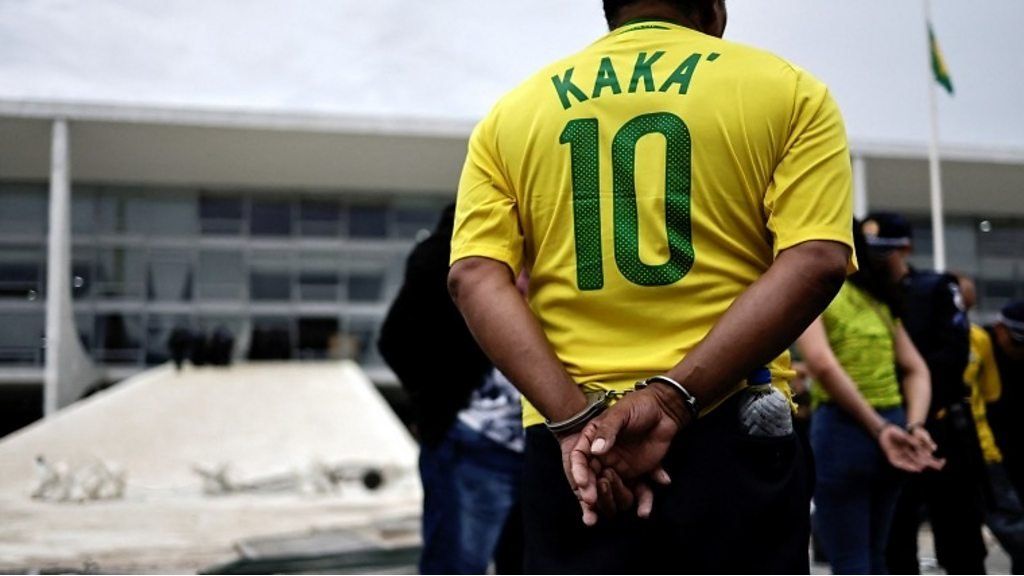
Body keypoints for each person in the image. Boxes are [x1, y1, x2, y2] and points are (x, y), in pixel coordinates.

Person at [448, 0, 858, 571]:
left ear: (609, 9)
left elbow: (473, 277)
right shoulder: (788, 91)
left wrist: (574, 424)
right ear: (713, 9)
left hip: (575, 444)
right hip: (731, 424)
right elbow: (815, 260)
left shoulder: (511, 114)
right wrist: (669, 400)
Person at [378, 203, 523, 574]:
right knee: (456, 565)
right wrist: (440, 404)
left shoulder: (554, 243)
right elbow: (395, 340)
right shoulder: (448, 252)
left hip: (542, 445)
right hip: (470, 442)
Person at [797, 221, 942, 574]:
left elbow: (822, 364)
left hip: (845, 432)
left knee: (849, 559)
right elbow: (917, 369)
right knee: (876, 554)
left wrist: (878, 430)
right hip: (895, 425)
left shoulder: (813, 291)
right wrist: (914, 424)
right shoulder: (875, 301)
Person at [866, 212, 989, 574]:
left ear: (904, 249)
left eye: (884, 252)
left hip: (941, 429)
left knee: (961, 540)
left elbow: (950, 358)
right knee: (895, 542)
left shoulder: (935, 289)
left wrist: (908, 378)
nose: (877, 260)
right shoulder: (866, 300)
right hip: (891, 427)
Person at [959, 280, 1024, 573]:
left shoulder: (983, 343)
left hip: (998, 450)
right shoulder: (976, 342)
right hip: (978, 448)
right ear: (1000, 330)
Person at [987, 301, 1024, 502]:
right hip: (991, 442)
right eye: (1018, 342)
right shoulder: (980, 347)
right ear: (999, 329)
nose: (1021, 350)